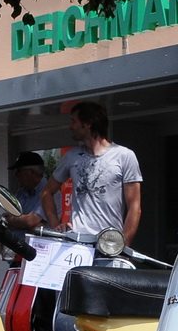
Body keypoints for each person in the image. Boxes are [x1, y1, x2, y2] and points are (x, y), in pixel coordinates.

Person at [43, 101, 141, 241]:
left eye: (73, 121)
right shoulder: (71, 156)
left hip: (109, 243)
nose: (70, 126)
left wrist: (122, 247)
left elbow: (135, 207)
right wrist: (56, 226)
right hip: (77, 243)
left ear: (88, 123)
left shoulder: (124, 156)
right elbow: (46, 192)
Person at [8, 151, 48, 230]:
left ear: (31, 172)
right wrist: (10, 219)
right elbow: (8, 216)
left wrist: (12, 220)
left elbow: (30, 221)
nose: (16, 175)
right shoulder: (21, 192)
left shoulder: (49, 192)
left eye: (18, 171)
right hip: (15, 241)